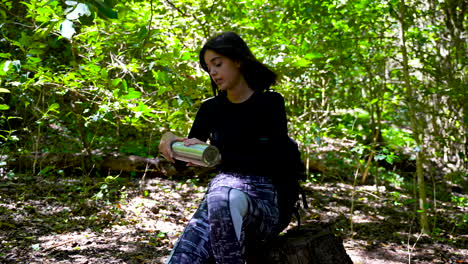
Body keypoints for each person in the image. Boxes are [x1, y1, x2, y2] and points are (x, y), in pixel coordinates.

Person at [159, 31, 295, 264]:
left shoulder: (270, 103)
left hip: (262, 207)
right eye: (208, 67)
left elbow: (272, 159)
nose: (212, 72)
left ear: (238, 60)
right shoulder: (210, 108)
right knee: (182, 257)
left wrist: (220, 157)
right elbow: (186, 163)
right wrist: (171, 140)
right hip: (218, 204)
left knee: (223, 194)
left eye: (217, 64)